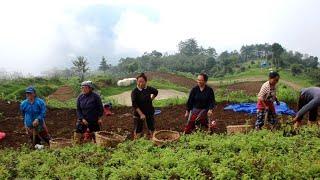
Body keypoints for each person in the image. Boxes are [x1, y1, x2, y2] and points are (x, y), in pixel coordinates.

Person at [131, 73, 158, 139]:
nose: (140, 83)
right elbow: (134, 104)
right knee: (138, 129)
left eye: (142, 81)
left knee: (151, 127)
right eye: (139, 82)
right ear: (137, 82)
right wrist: (141, 114)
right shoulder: (134, 92)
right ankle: (137, 141)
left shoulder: (148, 89)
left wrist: (151, 99)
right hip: (138, 113)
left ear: (146, 82)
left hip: (149, 112)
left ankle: (154, 139)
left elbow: (156, 92)